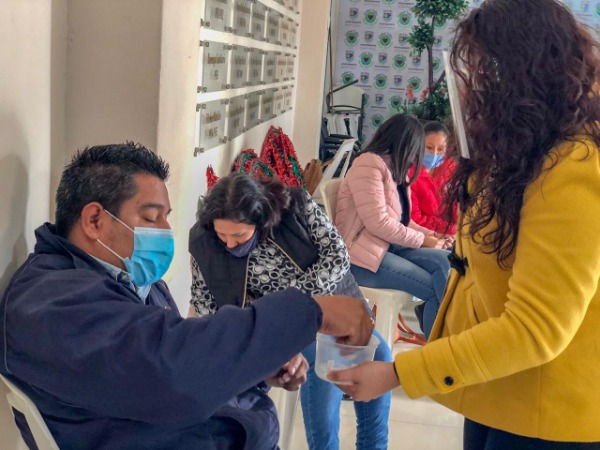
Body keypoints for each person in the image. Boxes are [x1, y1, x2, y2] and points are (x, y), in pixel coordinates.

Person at [328, 1, 600, 448]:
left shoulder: (573, 166)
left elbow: (535, 328)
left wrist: (401, 372)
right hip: (500, 389)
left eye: (483, 77)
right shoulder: (528, 153)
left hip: (548, 409)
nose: (475, 96)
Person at [0, 143, 373, 450]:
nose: (166, 230)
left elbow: (183, 355)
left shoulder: (132, 280)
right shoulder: (52, 305)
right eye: (152, 218)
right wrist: (309, 311)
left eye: (166, 217)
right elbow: (171, 372)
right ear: (95, 220)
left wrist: (254, 366)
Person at [188, 173, 392, 450]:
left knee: (380, 356)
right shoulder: (203, 241)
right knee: (323, 369)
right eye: (222, 235)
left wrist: (298, 303)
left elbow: (337, 256)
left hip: (328, 306)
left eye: (238, 235)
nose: (230, 244)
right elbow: (204, 300)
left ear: (260, 222)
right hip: (271, 327)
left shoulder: (296, 206)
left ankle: (374, 446)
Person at [335, 114, 452, 338]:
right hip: (361, 258)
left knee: (446, 261)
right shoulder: (368, 164)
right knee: (434, 288)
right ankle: (437, 347)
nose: (418, 157)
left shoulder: (395, 169)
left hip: (388, 248)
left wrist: (434, 235)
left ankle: (442, 341)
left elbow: (403, 221)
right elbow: (378, 223)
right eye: (419, 149)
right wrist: (423, 240)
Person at [408, 121, 457, 235]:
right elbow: (415, 219)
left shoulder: (450, 168)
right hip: (422, 235)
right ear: (419, 145)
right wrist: (451, 229)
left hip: (453, 233)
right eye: (429, 147)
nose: (434, 153)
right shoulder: (410, 175)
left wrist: (461, 226)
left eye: (440, 149)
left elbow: (457, 204)